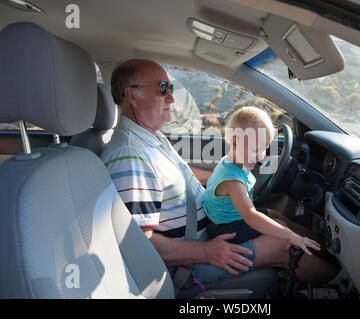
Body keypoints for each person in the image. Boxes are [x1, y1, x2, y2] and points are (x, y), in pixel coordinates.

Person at [101, 59, 339, 288]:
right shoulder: (129, 156)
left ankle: (337, 261)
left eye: (170, 88)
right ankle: (343, 284)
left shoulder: (152, 139)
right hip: (190, 261)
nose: (172, 98)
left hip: (208, 232)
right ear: (132, 95)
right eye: (163, 89)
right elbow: (140, 243)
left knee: (278, 218)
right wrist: (207, 252)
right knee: (284, 245)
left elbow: (180, 175)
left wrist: (224, 179)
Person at [203, 106, 321, 259]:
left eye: (264, 149)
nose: (260, 157)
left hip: (232, 218)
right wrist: (290, 235)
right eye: (255, 150)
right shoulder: (233, 181)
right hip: (227, 228)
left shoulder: (234, 163)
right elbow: (250, 216)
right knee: (283, 228)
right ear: (235, 143)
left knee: (275, 214)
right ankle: (310, 249)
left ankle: (317, 244)